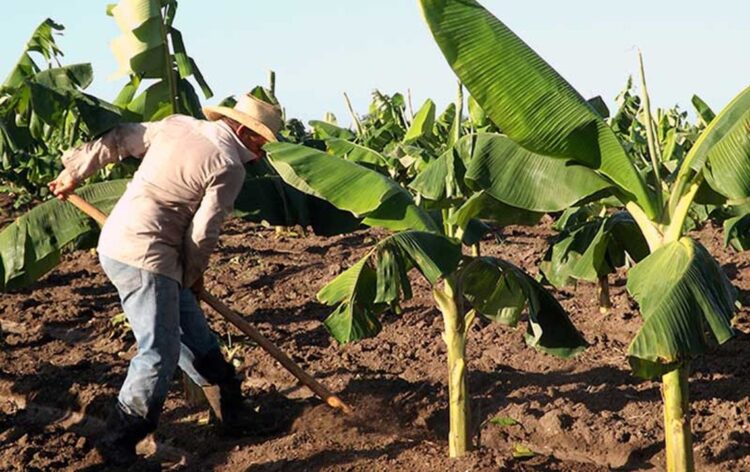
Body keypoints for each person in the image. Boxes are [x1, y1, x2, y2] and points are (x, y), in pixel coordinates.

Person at [48, 93, 283, 466]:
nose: (261, 152)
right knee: (159, 352)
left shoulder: (177, 125)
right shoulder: (228, 165)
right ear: (241, 129)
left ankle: (232, 414)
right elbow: (203, 234)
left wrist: (73, 172)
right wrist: (193, 275)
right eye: (259, 141)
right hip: (147, 257)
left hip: (122, 243)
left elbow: (120, 138)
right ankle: (119, 440)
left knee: (194, 334)